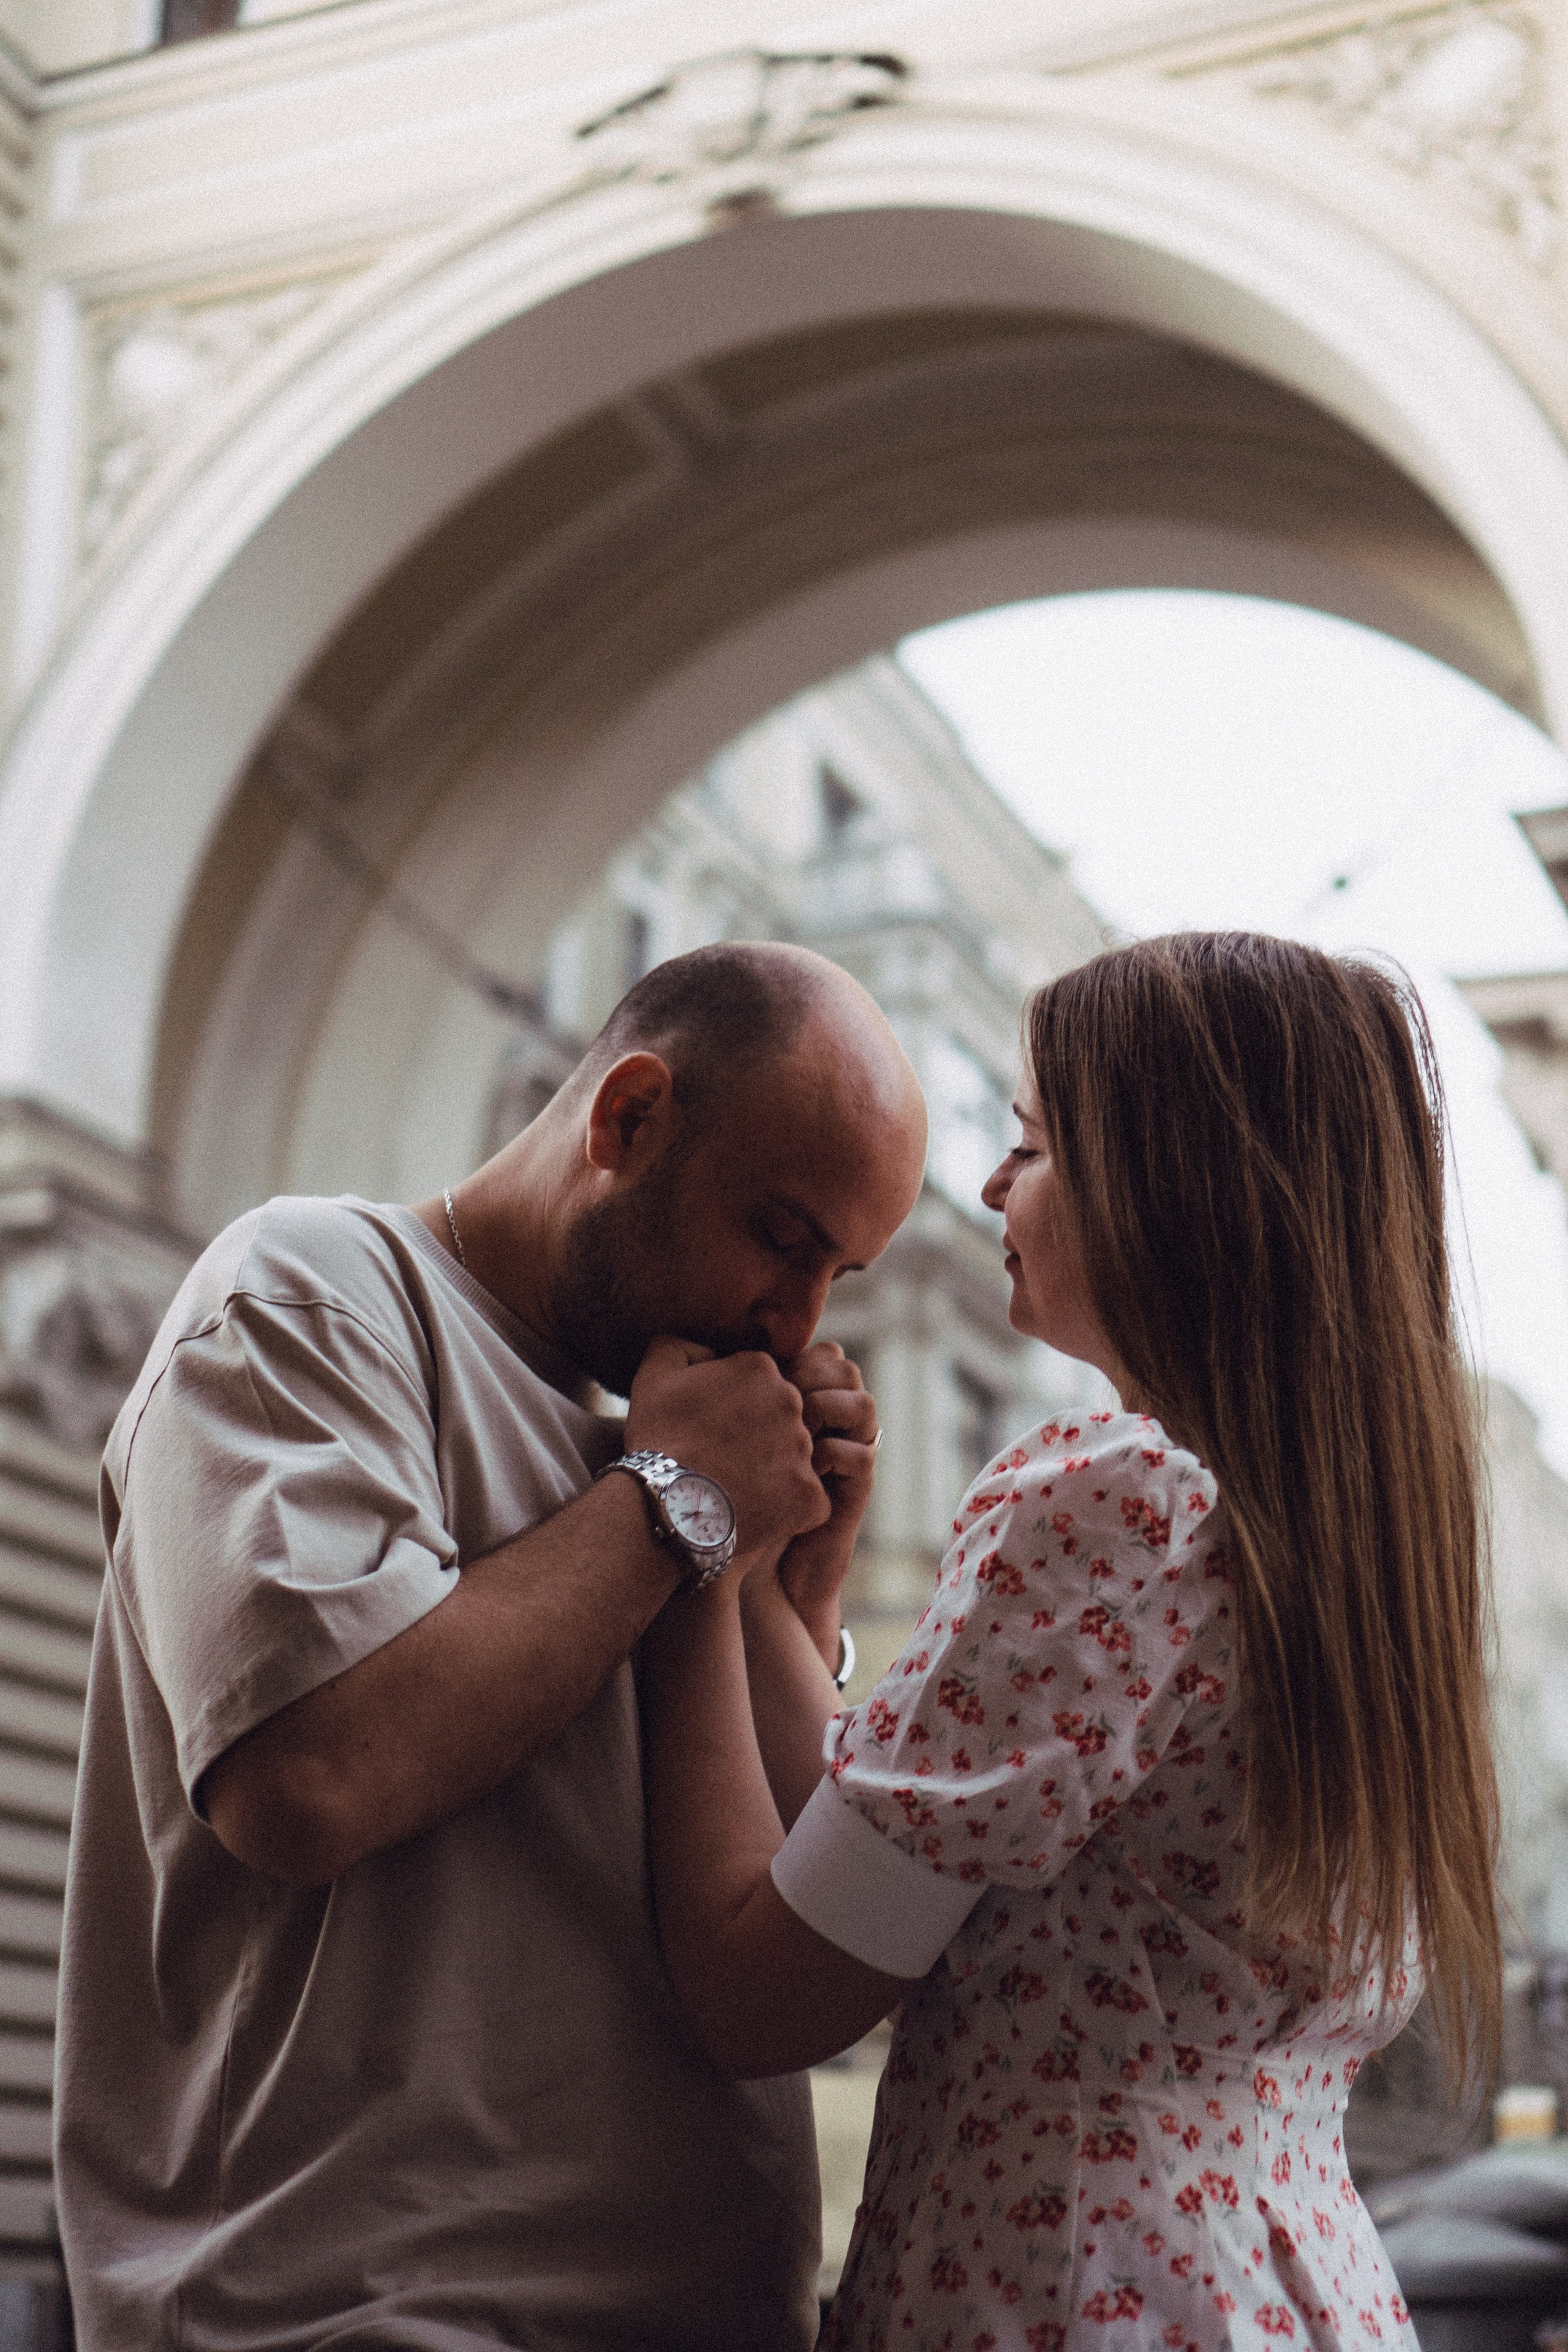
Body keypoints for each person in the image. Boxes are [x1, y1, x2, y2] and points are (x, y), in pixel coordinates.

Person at [55, 941, 928, 2351]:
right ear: (626, 1118)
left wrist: (792, 1587)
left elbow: (800, 1940)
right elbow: (309, 1778)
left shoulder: (672, 1432)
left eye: (839, 1271)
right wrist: (676, 1501)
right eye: (779, 1236)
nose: (798, 1321)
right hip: (354, 2315)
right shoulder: (310, 1292)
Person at [642, 931, 1501, 2352]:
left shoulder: (1115, 1499)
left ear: (1174, 1185)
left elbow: (758, 1995)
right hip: (1294, 2298)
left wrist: (687, 1528)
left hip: (1067, 2294)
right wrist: (775, 1590)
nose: (990, 1186)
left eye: (1032, 1145)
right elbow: (876, 1861)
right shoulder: (1347, 1564)